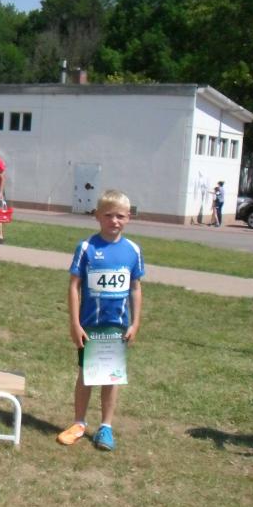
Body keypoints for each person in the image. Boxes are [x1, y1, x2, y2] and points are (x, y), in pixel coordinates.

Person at [56, 190, 144, 451]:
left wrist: (135, 323)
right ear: (97, 216)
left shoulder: (133, 250)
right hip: (89, 326)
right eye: (108, 215)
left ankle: (106, 427)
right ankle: (79, 423)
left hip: (117, 326)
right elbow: (74, 286)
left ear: (128, 218)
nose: (114, 221)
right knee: (87, 374)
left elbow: (135, 288)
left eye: (120, 216)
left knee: (111, 376)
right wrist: (75, 324)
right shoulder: (86, 248)